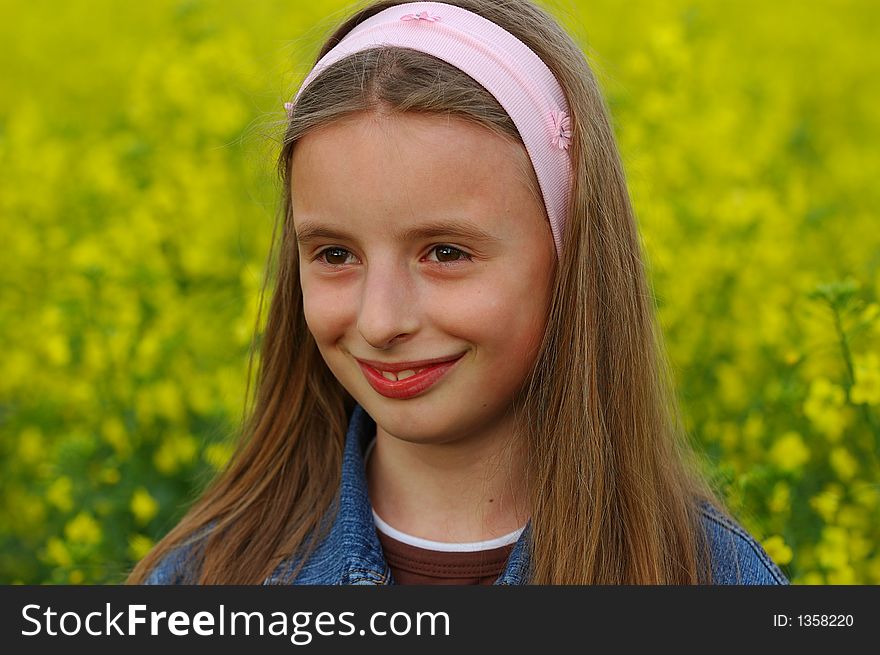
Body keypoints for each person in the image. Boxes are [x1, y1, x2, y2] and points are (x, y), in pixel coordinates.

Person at [127, 0, 790, 585]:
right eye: (334, 254)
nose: (380, 319)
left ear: (572, 259)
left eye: (445, 253)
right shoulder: (203, 580)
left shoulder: (711, 580)